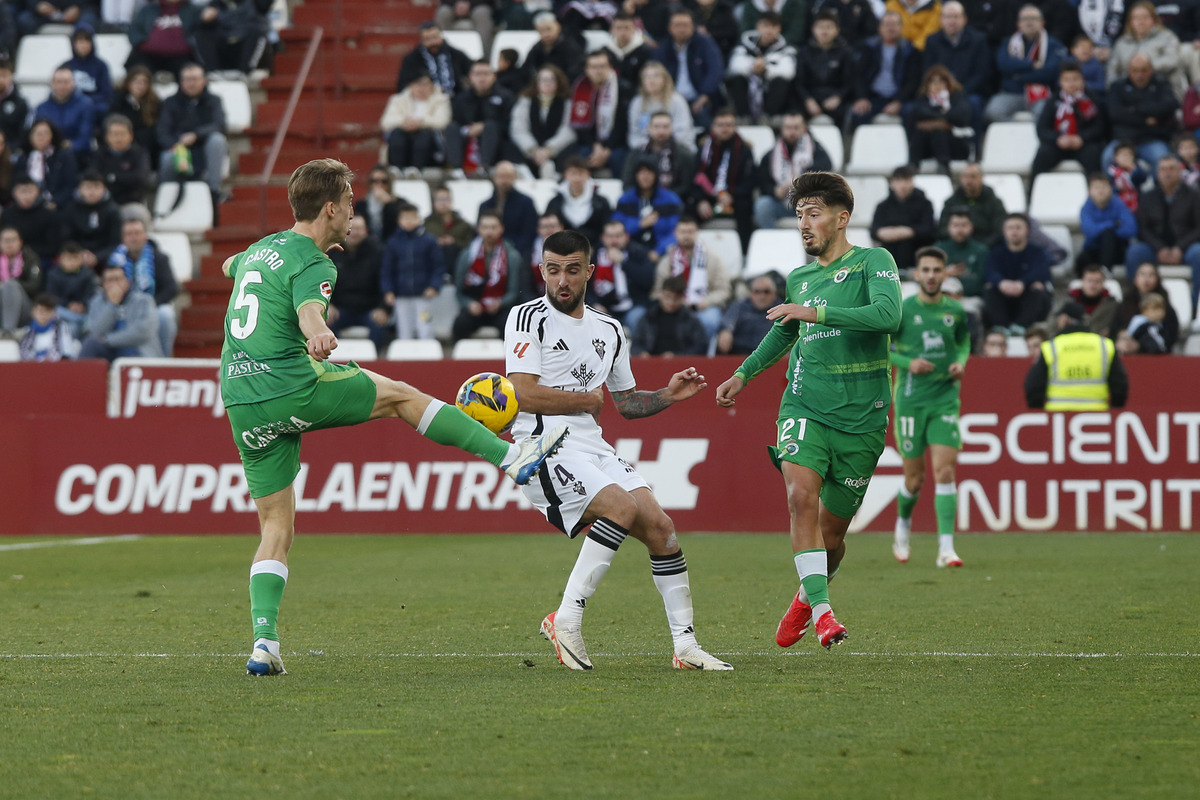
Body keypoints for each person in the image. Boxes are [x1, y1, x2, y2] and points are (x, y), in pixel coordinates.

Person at [221, 159, 569, 677]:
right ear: (331, 208)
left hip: (240, 398)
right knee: (401, 395)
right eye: (350, 204)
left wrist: (267, 266)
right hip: (289, 385)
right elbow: (309, 314)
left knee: (276, 522)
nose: (354, 214)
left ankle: (264, 642)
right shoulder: (317, 266)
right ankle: (511, 455)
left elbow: (233, 267)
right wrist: (315, 330)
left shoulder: (258, 251)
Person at [505, 228, 730, 671]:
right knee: (620, 509)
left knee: (663, 530)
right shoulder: (527, 318)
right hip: (542, 442)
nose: (562, 281)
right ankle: (565, 619)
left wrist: (667, 395)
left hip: (591, 444)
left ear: (590, 271)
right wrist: (583, 401)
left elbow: (625, 403)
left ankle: (685, 647)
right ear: (542, 271)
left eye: (572, 270)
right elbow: (520, 392)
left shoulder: (609, 329)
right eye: (553, 270)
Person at [715, 171, 902, 650]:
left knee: (832, 535)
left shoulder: (873, 262)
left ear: (841, 219)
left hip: (862, 418)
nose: (804, 223)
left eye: (813, 213)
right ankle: (823, 614)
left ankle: (805, 597)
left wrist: (813, 313)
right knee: (800, 497)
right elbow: (784, 332)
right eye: (799, 214)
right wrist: (743, 373)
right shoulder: (799, 278)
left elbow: (887, 316)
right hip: (805, 404)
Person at [889, 246, 970, 568]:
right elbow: (882, 349)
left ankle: (946, 549)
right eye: (926, 270)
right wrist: (908, 362)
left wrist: (960, 362)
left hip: (944, 399)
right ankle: (903, 526)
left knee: (946, 471)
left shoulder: (956, 311)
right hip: (910, 401)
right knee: (914, 479)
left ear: (945, 273)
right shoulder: (903, 310)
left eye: (937, 270)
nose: (932, 276)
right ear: (917, 274)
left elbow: (963, 342)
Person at [1024, 300, 1129, 409]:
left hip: (1058, 417)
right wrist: (1115, 409)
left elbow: (1033, 387)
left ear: (1064, 319)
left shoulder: (1051, 347)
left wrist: (1039, 411)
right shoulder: (1104, 345)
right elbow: (1120, 384)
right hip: (1096, 415)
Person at [1125, 155, 1200, 308]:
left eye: (1171, 169)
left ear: (1180, 171)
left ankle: (1195, 306)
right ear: (1157, 173)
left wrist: (1180, 247)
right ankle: (1135, 304)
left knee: (1199, 253)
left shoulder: (1194, 195)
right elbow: (1142, 228)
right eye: (1163, 169)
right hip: (1155, 249)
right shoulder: (1147, 196)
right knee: (1134, 252)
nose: (1167, 173)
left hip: (1186, 249)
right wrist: (1160, 248)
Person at [108, 217, 179, 356]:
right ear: (123, 238)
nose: (133, 238)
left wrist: (152, 303)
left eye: (137, 233)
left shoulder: (159, 258)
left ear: (145, 236)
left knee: (166, 315)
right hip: (123, 307)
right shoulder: (115, 261)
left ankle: (164, 361)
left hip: (152, 305)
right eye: (129, 234)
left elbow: (171, 288)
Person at [654, 213, 730, 342]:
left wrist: (707, 301)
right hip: (673, 307)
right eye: (682, 232)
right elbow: (658, 291)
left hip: (704, 306)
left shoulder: (714, 259)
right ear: (675, 233)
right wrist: (675, 301)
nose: (686, 236)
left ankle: (704, 358)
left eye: (690, 232)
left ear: (697, 232)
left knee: (709, 320)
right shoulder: (666, 261)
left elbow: (724, 290)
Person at [156, 64, 228, 199]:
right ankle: (167, 197)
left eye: (195, 79)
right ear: (181, 82)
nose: (191, 83)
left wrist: (196, 135)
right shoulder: (170, 103)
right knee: (167, 158)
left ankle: (214, 192)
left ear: (203, 81)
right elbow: (162, 132)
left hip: (204, 148)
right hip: (178, 149)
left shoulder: (214, 101)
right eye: (187, 79)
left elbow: (219, 125)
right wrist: (176, 144)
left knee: (217, 140)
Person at [985, 4, 1067, 123]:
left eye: (1033, 19)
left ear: (1042, 22)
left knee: (1045, 113)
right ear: (1018, 24)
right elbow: (1003, 64)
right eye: (1025, 19)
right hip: (1012, 93)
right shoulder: (1008, 42)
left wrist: (1018, 77)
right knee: (993, 111)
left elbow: (1051, 72)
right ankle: (1016, 136)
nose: (1029, 22)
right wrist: (1032, 65)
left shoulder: (1054, 44)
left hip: (1041, 95)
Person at [452, 209, 524, 341]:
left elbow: (514, 291)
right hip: (475, 307)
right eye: (485, 227)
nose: (489, 232)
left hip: (500, 308)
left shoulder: (512, 255)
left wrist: (500, 303)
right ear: (478, 229)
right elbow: (459, 291)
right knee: (460, 324)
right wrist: (469, 304)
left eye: (493, 227)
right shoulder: (467, 255)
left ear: (501, 229)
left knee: (512, 325)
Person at [691, 108, 756, 250]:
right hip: (710, 197)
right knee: (689, 209)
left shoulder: (745, 150)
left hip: (735, 197)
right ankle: (693, 251)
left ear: (734, 127)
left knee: (745, 208)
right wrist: (701, 201)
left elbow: (749, 181)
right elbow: (696, 179)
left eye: (728, 125)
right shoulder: (705, 149)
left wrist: (731, 196)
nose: (724, 129)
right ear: (713, 127)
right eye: (720, 125)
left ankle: (745, 252)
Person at [922, 1, 992, 134]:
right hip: (938, 91)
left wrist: (959, 92)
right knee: (915, 107)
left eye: (956, 17)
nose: (952, 21)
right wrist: (940, 90)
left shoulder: (978, 40)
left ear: (964, 19)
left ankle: (975, 148)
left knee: (974, 104)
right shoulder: (932, 41)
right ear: (941, 20)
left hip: (968, 91)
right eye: (948, 17)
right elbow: (928, 71)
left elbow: (981, 73)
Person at [381, 202, 444, 342]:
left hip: (424, 296)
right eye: (405, 218)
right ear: (399, 221)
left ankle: (428, 359)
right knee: (404, 331)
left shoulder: (429, 241)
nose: (409, 221)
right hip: (401, 296)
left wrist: (434, 286)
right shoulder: (393, 242)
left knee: (425, 329)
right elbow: (387, 269)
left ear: (419, 219)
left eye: (412, 217)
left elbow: (438, 267)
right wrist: (388, 290)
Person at [653, 8, 725, 131]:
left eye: (685, 25)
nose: (681, 29)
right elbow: (656, 73)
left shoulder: (705, 43)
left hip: (699, 98)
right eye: (677, 25)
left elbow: (716, 70)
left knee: (707, 125)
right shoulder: (663, 48)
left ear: (693, 26)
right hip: (671, 99)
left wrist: (705, 95)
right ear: (670, 27)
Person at [1104, 53, 1179, 170]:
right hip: (1124, 140)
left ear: (1151, 70)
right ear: (1128, 70)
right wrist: (1146, 119)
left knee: (1163, 160)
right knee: (1108, 157)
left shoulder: (1162, 84)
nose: (1139, 75)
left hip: (1152, 139)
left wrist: (1133, 109)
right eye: (1135, 71)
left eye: (1144, 70)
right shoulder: (1117, 86)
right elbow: (1116, 113)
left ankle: (1159, 189)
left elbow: (1171, 105)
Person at [1032, 62, 1107, 178]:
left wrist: (1081, 138)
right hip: (1059, 144)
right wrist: (1058, 138)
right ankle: (1032, 193)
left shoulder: (1092, 99)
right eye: (1067, 80)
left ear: (1082, 80)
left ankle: (1096, 193)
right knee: (1043, 154)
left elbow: (1100, 127)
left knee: (1093, 154)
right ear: (1060, 82)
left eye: (1075, 79)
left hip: (1084, 144)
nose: (1071, 84)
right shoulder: (1053, 101)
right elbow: (1042, 129)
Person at [982, 213, 1053, 333]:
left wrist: (1023, 283)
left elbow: (1041, 272)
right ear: (1004, 231)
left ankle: (1020, 327)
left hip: (1027, 297)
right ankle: (1000, 327)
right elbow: (990, 272)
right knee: (989, 288)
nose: (1014, 231)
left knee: (1038, 288)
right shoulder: (995, 252)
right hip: (1004, 295)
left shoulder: (1037, 252)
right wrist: (1001, 283)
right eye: (1010, 228)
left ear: (1027, 231)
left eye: (1018, 227)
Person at [851, 11, 922, 130]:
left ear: (901, 28)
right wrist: (862, 97)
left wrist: (898, 101)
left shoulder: (910, 50)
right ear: (879, 28)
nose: (891, 28)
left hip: (901, 98)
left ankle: (909, 147)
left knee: (912, 112)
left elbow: (913, 81)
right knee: (858, 113)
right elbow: (859, 76)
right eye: (887, 24)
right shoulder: (868, 47)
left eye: (894, 24)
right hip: (873, 97)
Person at [326, 215, 387, 350]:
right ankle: (333, 364)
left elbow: (385, 281)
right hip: (340, 309)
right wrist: (328, 304)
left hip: (369, 310)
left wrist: (383, 308)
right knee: (322, 326)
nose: (354, 233)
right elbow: (323, 282)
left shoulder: (377, 252)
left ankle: (374, 363)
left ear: (366, 231)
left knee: (379, 327)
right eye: (351, 229)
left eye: (359, 229)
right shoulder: (332, 252)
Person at [725, 11, 797, 123]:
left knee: (781, 82)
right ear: (758, 26)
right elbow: (734, 66)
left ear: (779, 29)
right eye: (765, 25)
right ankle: (744, 117)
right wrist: (752, 66)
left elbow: (788, 71)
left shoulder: (786, 48)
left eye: (773, 26)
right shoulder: (744, 45)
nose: (769, 30)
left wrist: (766, 69)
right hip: (748, 90)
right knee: (736, 79)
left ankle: (768, 117)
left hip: (769, 91)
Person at [446, 62, 516, 176]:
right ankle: (456, 169)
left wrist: (483, 127)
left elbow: (509, 123)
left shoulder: (506, 97)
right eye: (478, 74)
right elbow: (456, 121)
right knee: (451, 128)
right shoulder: (460, 99)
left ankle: (484, 168)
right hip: (467, 137)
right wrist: (468, 130)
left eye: (486, 74)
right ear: (470, 77)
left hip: (497, 141)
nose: (482, 78)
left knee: (490, 127)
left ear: (494, 76)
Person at [79, 262, 162, 359]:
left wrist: (108, 339)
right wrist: (112, 305)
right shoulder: (96, 302)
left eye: (117, 279)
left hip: (137, 351)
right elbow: (94, 333)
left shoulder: (144, 300)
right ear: (103, 284)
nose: (114, 284)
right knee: (90, 344)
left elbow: (143, 332)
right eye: (109, 280)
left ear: (127, 282)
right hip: (109, 353)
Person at [568, 50, 631, 177]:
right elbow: (580, 126)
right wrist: (596, 146)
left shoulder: (623, 88)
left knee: (619, 158)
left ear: (610, 67)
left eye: (602, 66)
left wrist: (606, 149)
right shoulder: (579, 88)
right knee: (576, 158)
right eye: (594, 67)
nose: (598, 71)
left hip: (616, 144)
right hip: (589, 144)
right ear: (586, 69)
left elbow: (622, 124)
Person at [509, 65, 577, 180]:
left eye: (552, 80)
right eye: (543, 80)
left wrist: (549, 149)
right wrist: (533, 149)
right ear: (536, 82)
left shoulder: (568, 103)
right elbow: (518, 129)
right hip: (531, 151)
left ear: (559, 82)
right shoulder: (525, 102)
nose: (547, 83)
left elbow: (568, 130)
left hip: (556, 150)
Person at [588, 217, 656, 330]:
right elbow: (586, 286)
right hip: (605, 307)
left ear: (626, 237)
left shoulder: (638, 252)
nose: (614, 241)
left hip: (633, 306)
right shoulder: (595, 257)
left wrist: (624, 263)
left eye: (618, 236)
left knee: (637, 318)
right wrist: (595, 304)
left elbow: (648, 280)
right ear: (602, 238)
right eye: (610, 236)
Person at [794, 9, 857, 127]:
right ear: (813, 30)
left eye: (829, 27)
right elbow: (799, 82)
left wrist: (838, 97)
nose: (824, 31)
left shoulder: (846, 52)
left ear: (837, 30)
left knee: (847, 114)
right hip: (810, 98)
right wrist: (808, 100)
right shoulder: (804, 52)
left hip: (835, 98)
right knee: (794, 113)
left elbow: (849, 81)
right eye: (821, 27)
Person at [1107, 2, 1186, 94]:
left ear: (1154, 19)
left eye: (1145, 17)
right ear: (1130, 21)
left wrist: (1146, 67)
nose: (1141, 22)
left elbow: (1173, 60)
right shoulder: (1122, 43)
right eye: (1136, 18)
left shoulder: (1167, 37)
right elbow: (1112, 70)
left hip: (1161, 92)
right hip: (1129, 94)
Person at [907, 64, 973, 174]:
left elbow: (961, 117)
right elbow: (916, 115)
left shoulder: (957, 97)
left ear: (948, 83)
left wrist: (934, 123)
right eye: (932, 82)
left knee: (938, 132)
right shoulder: (922, 99)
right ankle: (912, 167)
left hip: (955, 146)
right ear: (927, 85)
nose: (937, 86)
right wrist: (941, 120)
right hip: (927, 146)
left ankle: (944, 167)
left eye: (941, 82)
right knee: (921, 132)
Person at [612, 160, 683, 260]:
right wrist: (640, 224)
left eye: (649, 172)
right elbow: (616, 229)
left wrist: (659, 251)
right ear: (635, 175)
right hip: (630, 251)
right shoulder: (625, 200)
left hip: (663, 252)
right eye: (641, 172)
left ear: (656, 175)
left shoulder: (671, 200)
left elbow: (676, 231)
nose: (645, 177)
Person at [381, 74, 451, 174]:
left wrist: (421, 122)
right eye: (418, 85)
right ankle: (396, 169)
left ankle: (416, 170)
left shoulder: (441, 99)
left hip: (429, 143)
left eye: (425, 85)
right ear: (411, 86)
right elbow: (386, 122)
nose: (421, 89)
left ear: (432, 86)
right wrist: (404, 122)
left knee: (423, 135)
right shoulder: (398, 100)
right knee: (397, 134)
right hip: (404, 137)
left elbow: (442, 121)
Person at [870, 165, 937, 270]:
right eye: (898, 181)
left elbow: (929, 229)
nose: (902, 185)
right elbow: (874, 231)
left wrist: (909, 232)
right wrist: (892, 233)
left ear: (912, 182)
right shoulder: (883, 206)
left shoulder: (925, 204)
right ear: (892, 184)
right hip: (889, 253)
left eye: (906, 180)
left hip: (915, 252)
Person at [626, 61, 697, 155]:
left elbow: (683, 131)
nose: (651, 81)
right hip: (646, 149)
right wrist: (651, 147)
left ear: (665, 79)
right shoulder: (637, 103)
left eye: (656, 76)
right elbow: (634, 134)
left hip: (677, 148)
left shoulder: (677, 100)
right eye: (647, 77)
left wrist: (663, 147)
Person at [622, 110, 696, 198]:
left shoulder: (684, 155)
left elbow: (686, 186)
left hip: (673, 203)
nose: (661, 131)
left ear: (672, 128)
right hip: (640, 203)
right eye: (656, 127)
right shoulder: (636, 154)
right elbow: (627, 184)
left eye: (665, 127)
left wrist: (663, 199)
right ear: (649, 128)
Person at [631, 273, 710, 356]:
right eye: (668, 297)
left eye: (676, 298)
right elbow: (636, 345)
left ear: (682, 298)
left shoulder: (690, 319)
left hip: (681, 365)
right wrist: (641, 353)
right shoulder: (649, 317)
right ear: (661, 294)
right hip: (652, 364)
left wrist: (677, 356)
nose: (671, 302)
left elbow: (701, 347)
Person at [1077, 172, 1137, 274]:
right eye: (1096, 187)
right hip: (1094, 250)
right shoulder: (1086, 208)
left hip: (1117, 249)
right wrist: (1112, 224)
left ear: (1110, 189)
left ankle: (1106, 271)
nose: (1100, 191)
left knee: (1108, 235)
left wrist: (1107, 230)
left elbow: (1131, 228)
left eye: (1104, 187)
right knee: (1081, 260)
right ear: (1089, 191)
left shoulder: (1118, 204)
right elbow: (1089, 232)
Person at [126, 0, 203, 80]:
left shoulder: (193, 10)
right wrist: (143, 44)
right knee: (138, 70)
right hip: (148, 55)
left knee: (190, 73)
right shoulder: (148, 9)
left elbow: (201, 30)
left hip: (181, 57)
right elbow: (134, 29)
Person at [546, 156, 612, 248]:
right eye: (573, 173)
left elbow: (605, 229)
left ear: (587, 174)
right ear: (566, 175)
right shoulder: (555, 203)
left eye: (580, 173)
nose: (577, 178)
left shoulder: (601, 202)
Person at [62, 170, 122, 270]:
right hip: (77, 255)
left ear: (104, 188)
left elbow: (116, 242)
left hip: (105, 257)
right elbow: (66, 237)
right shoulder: (71, 209)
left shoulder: (113, 211)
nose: (92, 191)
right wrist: (80, 253)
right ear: (80, 188)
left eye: (96, 186)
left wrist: (98, 257)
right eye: (88, 187)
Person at [1113, 260, 1180, 348]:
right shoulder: (1125, 304)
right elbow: (1114, 330)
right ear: (1135, 279)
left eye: (1151, 275)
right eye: (1142, 274)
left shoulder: (1166, 307)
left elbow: (1171, 336)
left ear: (1157, 279)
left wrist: (1140, 346)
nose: (1146, 279)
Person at [479, 160, 538, 260]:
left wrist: (510, 251)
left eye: (508, 176)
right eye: (501, 176)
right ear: (495, 178)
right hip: (488, 252)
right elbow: (479, 232)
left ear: (515, 178)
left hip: (517, 253)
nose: (504, 181)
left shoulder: (526, 203)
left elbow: (529, 233)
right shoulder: (485, 205)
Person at [394, 21, 472, 97]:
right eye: (427, 39)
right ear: (421, 40)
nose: (433, 42)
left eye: (435, 37)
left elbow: (471, 73)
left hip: (455, 99)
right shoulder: (411, 59)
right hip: (426, 101)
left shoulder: (457, 55)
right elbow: (403, 85)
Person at [16, 119, 79, 210]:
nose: (41, 137)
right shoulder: (23, 158)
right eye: (37, 133)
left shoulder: (64, 156)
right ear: (30, 136)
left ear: (52, 136)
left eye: (45, 133)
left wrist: (56, 202)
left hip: (55, 206)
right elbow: (16, 184)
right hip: (26, 205)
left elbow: (70, 185)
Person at [937, 162, 1007, 244]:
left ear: (981, 178)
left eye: (973, 176)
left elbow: (999, 230)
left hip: (986, 247)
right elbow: (943, 228)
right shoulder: (951, 202)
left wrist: (980, 247)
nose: (969, 180)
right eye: (965, 176)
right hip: (955, 246)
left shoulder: (994, 202)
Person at [94, 114, 153, 208]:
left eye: (122, 134)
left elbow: (140, 179)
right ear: (106, 137)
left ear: (131, 135)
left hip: (133, 202)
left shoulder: (140, 153)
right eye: (114, 134)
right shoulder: (99, 154)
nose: (118, 138)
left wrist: (113, 177)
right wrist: (124, 179)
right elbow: (96, 178)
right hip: (105, 204)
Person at [35, 68, 95, 160]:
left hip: (77, 157)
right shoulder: (42, 108)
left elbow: (84, 139)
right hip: (48, 157)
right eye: (58, 82)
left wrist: (63, 147)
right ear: (52, 84)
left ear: (73, 84)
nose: (62, 86)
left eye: (66, 82)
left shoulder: (86, 105)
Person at [109, 66, 163, 163]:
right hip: (124, 146)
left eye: (144, 82)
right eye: (137, 81)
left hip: (148, 149)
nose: (140, 85)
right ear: (128, 82)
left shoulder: (154, 103)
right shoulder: (118, 100)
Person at [2, 177, 62, 263]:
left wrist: (25, 252)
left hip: (40, 258)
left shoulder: (49, 215)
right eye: (22, 191)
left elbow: (54, 247)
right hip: (10, 257)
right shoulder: (7, 214)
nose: (26, 196)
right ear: (14, 193)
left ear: (37, 192)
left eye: (30, 191)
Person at [716, 273, 779, 354]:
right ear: (751, 293)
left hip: (771, 356)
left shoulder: (781, 310)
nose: (762, 296)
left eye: (766, 292)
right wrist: (726, 331)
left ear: (775, 294)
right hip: (740, 355)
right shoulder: (739, 307)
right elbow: (727, 323)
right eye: (757, 292)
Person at [934, 209, 988, 301]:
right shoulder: (938, 249)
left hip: (970, 299)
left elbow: (982, 282)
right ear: (948, 227)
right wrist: (944, 273)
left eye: (964, 225)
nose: (960, 229)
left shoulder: (981, 251)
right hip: (940, 298)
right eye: (955, 225)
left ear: (971, 227)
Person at [45, 241, 97, 334]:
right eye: (69, 258)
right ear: (61, 259)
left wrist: (82, 306)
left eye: (75, 258)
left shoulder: (88, 274)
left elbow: (90, 295)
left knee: (74, 326)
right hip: (63, 311)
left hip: (83, 311)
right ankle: (80, 321)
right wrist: (69, 305)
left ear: (81, 259)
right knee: (55, 311)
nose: (72, 262)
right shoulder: (53, 274)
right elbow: (52, 297)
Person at [524, 12, 587, 84]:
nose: (546, 34)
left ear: (558, 26)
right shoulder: (536, 49)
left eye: (549, 29)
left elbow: (576, 71)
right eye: (541, 30)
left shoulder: (571, 45)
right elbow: (526, 70)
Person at [0, 226, 40, 336]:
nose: (9, 244)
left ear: (20, 242)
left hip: (25, 307)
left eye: (13, 240)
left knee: (11, 286)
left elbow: (35, 286)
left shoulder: (30, 258)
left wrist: (11, 285)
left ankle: (8, 332)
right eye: (6, 240)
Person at [425, 184, 474, 269]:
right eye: (439, 199)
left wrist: (454, 242)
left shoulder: (463, 224)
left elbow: (471, 245)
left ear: (451, 201)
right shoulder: (427, 224)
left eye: (446, 199)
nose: (443, 203)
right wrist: (436, 242)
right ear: (434, 203)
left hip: (457, 265)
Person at [65, 23, 112, 110]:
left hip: (93, 107)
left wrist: (86, 101)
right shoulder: (66, 66)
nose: (83, 45)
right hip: (70, 107)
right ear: (73, 43)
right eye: (79, 40)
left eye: (87, 40)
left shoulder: (101, 66)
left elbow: (106, 93)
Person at [19, 292, 79, 361]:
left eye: (47, 311)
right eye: (40, 311)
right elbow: (23, 354)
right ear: (33, 312)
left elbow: (64, 353)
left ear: (54, 312)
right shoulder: (28, 331)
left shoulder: (62, 327)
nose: (43, 314)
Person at [605, 11, 657, 85]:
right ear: (612, 30)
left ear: (634, 29)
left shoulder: (645, 51)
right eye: (618, 28)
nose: (623, 32)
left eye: (627, 28)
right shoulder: (606, 52)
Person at [1069, 263, 1119, 336]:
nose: (1093, 285)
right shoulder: (1070, 303)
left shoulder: (1113, 306)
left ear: (1103, 283)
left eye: (1097, 281)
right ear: (1082, 281)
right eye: (1089, 280)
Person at [354, 166, 400, 244]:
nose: (379, 185)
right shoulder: (361, 204)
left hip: (390, 243)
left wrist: (388, 203)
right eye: (374, 181)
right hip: (367, 244)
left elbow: (398, 224)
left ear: (389, 184)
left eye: (383, 181)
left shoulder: (398, 203)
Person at [0, 60, 29, 147]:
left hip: (10, 155)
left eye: (4, 75)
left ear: (11, 76)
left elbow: (23, 134)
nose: (0, 79)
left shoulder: (20, 104)